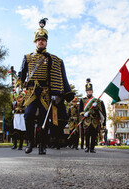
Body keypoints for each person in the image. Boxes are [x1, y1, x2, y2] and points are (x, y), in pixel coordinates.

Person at [17, 18, 74, 154]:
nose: (40, 41)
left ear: (46, 42)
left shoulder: (53, 59)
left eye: (43, 40)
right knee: (28, 115)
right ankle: (30, 141)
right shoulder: (27, 57)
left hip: (45, 92)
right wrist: (20, 84)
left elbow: (58, 76)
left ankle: (42, 145)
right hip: (31, 91)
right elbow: (21, 74)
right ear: (35, 42)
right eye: (38, 40)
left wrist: (58, 93)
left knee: (44, 119)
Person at [79, 79, 106, 153]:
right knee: (87, 134)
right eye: (88, 91)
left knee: (94, 134)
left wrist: (96, 106)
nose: (89, 92)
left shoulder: (96, 100)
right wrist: (83, 114)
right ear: (86, 92)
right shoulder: (82, 100)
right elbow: (80, 111)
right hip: (87, 120)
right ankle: (87, 147)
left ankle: (92, 148)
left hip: (94, 120)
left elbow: (101, 110)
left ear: (92, 91)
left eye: (90, 91)